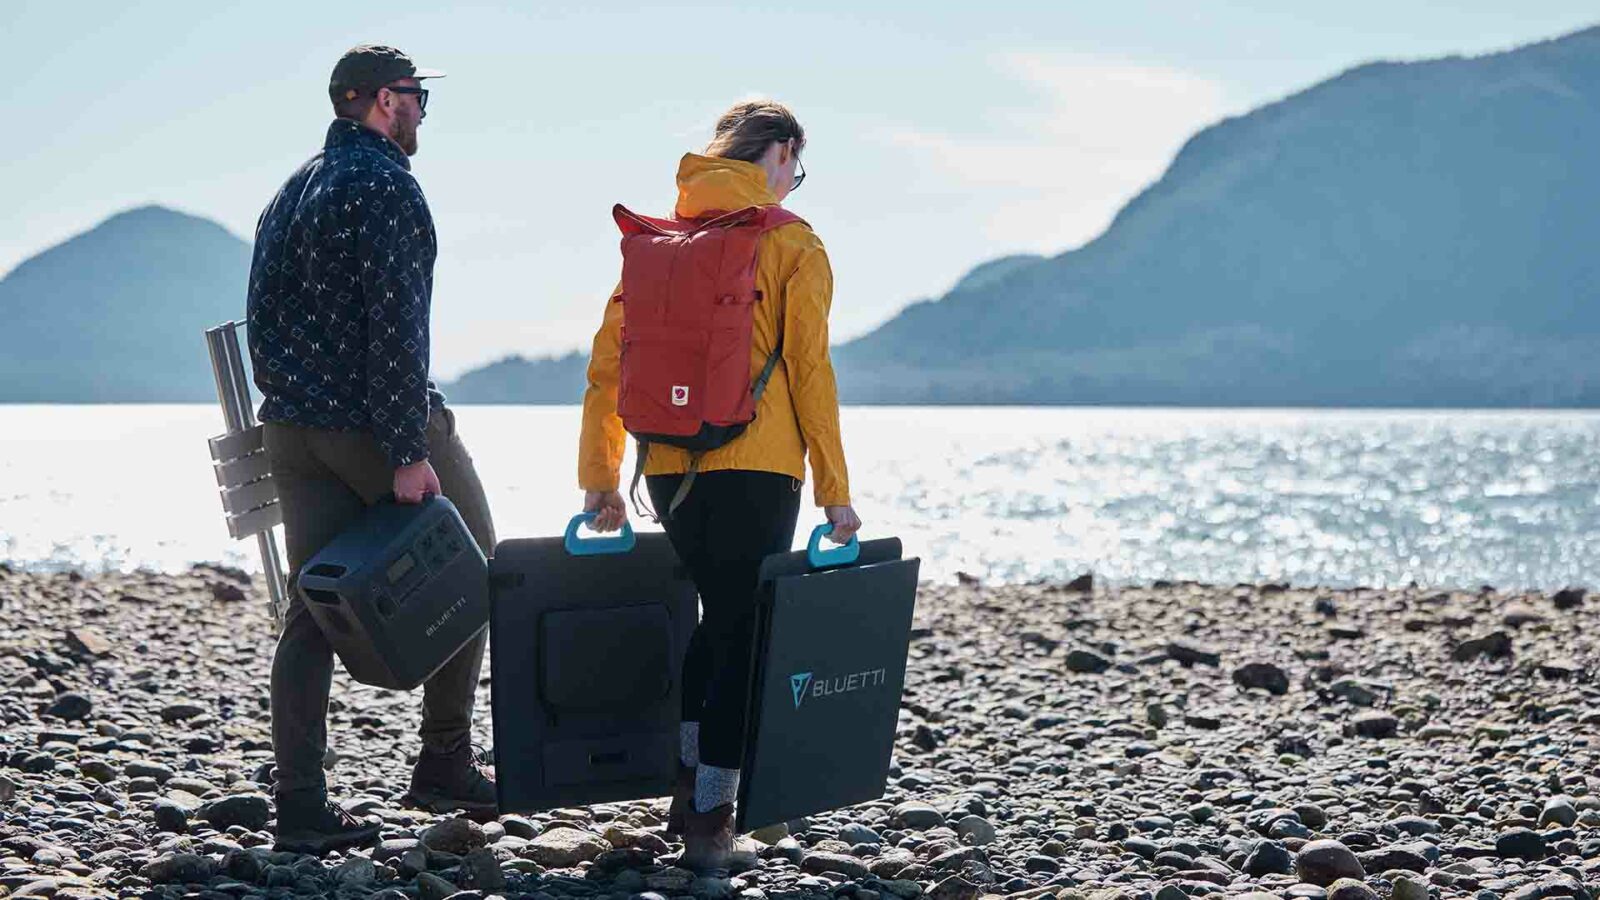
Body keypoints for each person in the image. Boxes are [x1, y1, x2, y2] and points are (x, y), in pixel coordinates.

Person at [577, 100, 861, 873]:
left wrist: (600, 480)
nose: (793, 184)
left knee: (718, 618)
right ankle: (711, 815)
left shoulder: (659, 243)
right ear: (777, 152)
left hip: (666, 471)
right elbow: (810, 373)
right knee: (744, 632)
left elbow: (609, 367)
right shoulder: (792, 243)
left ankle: (686, 783)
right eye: (793, 168)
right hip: (758, 466)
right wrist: (836, 490)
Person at [247, 44, 497, 855]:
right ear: (383, 101)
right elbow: (396, 328)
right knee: (478, 563)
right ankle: (444, 763)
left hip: (291, 427)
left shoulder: (290, 191)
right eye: (417, 94)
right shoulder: (386, 185)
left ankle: (302, 807)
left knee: (312, 609)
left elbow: (266, 318)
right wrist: (403, 448)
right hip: (373, 424)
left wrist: (294, 413)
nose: (423, 108)